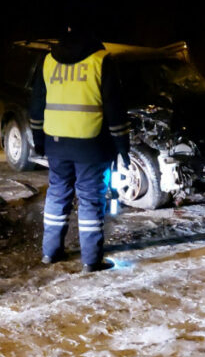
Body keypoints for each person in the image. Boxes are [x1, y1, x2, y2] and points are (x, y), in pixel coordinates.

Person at [29, 28, 131, 273]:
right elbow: (114, 107)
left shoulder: (48, 60)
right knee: (90, 200)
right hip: (91, 144)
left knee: (57, 195)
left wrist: (38, 139)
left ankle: (50, 253)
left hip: (56, 143)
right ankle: (91, 260)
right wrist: (122, 147)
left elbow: (37, 103)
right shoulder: (101, 60)